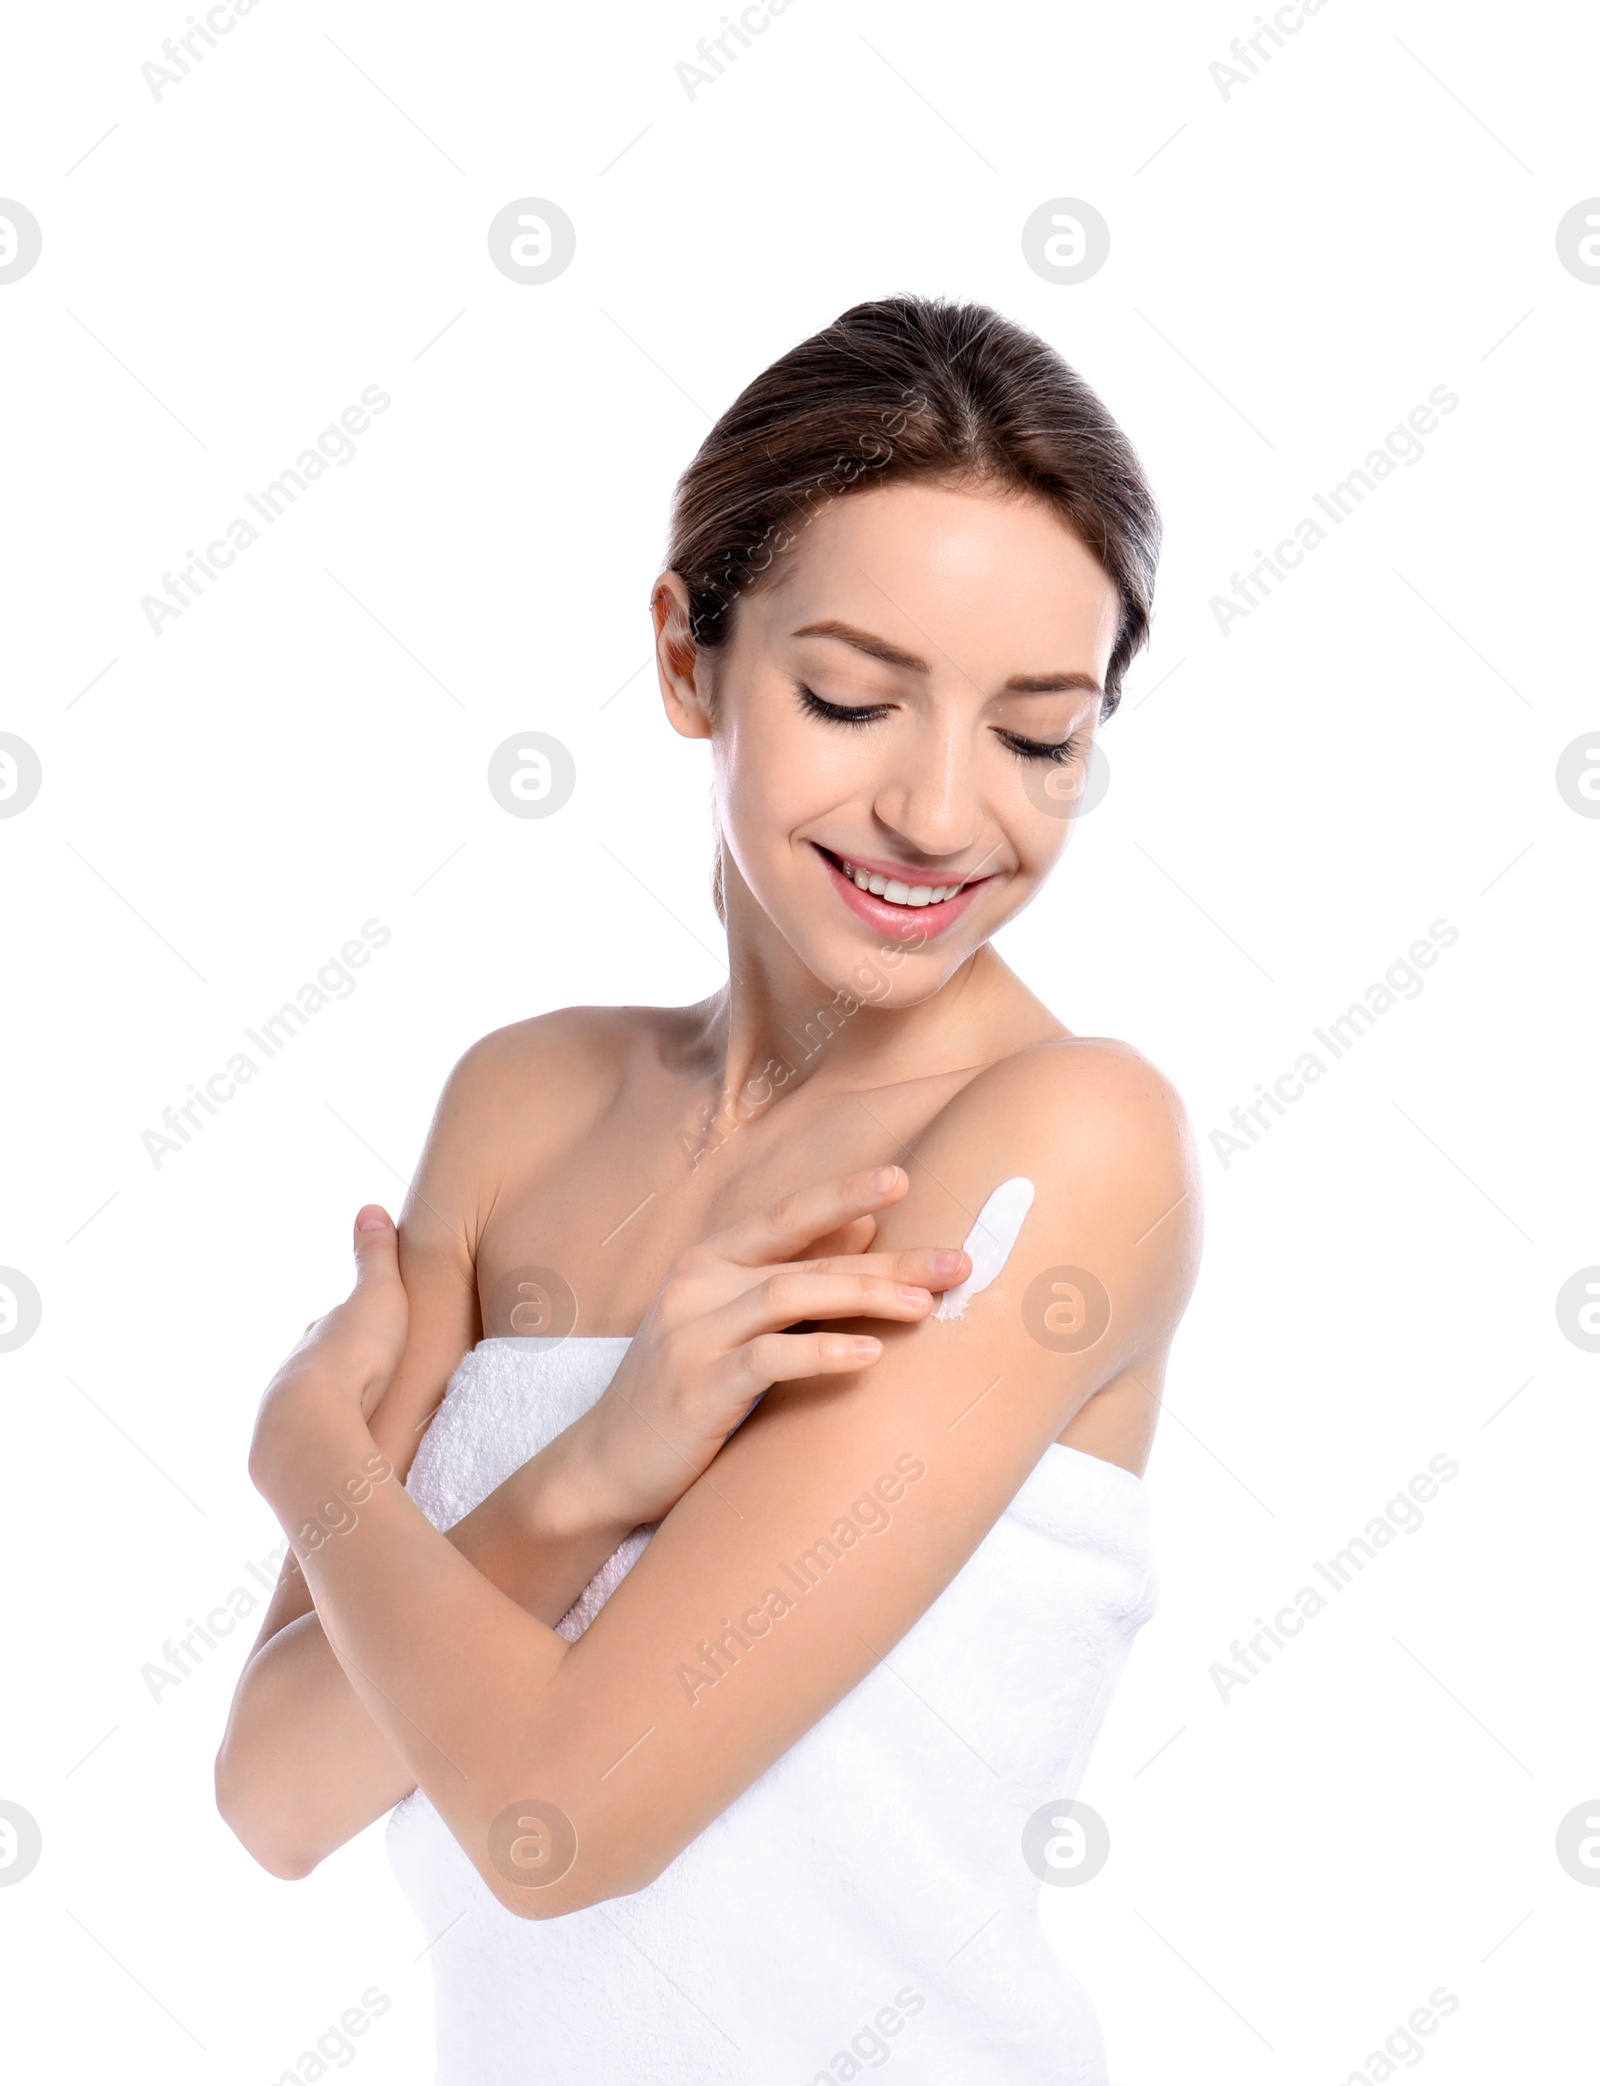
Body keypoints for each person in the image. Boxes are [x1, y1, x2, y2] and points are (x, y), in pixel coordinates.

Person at [216, 293, 1202, 2083]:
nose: (938, 809)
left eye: (1038, 735)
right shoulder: (522, 1101)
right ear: (687, 655)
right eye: (849, 696)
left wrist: (308, 1454)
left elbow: (560, 1821)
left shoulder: (1066, 1142)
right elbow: (276, 1793)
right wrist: (594, 1471)